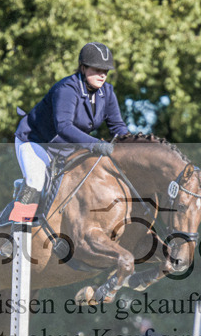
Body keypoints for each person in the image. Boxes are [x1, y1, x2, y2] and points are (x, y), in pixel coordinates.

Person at [10, 42, 129, 223]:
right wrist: (96, 144)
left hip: (66, 148)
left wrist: (133, 146)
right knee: (36, 180)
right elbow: (64, 127)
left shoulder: (107, 92)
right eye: (97, 69)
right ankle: (16, 233)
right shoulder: (66, 89)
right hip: (35, 141)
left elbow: (118, 127)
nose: (102, 74)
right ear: (83, 67)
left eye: (106, 70)